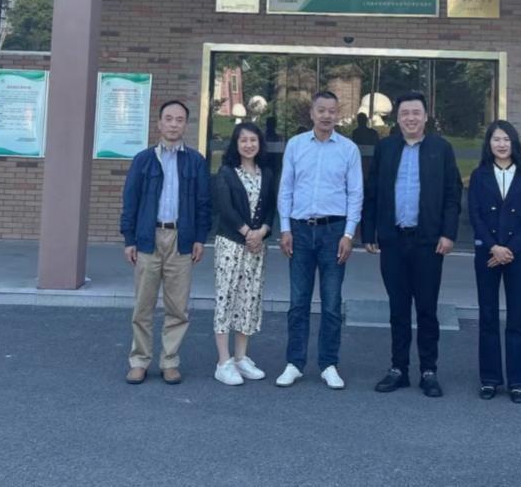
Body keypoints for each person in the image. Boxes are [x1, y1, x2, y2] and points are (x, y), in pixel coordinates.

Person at [363, 92, 461, 398]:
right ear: (398, 118)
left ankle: (429, 371)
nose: (410, 118)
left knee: (427, 309)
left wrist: (448, 234)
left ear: (425, 116)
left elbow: (453, 194)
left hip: (428, 242)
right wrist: (369, 232)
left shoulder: (441, 149)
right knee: (398, 308)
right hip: (393, 240)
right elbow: (373, 191)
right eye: (405, 113)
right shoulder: (386, 148)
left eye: (416, 112)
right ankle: (398, 369)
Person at [275, 90, 363, 390]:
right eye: (321, 110)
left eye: (332, 111)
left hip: (334, 232)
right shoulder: (296, 145)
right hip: (299, 231)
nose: (327, 115)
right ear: (312, 113)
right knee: (298, 302)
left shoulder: (349, 149)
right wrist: (285, 228)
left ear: (338, 114)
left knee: (332, 303)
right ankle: (294, 363)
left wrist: (349, 233)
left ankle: (328, 364)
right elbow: (286, 189)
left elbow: (355, 194)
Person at [119, 99, 211, 386]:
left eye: (179, 120)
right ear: (159, 123)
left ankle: (170, 361)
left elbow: (203, 203)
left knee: (177, 308)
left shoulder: (195, 161)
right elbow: (130, 201)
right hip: (149, 238)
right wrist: (129, 239)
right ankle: (139, 361)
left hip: (181, 239)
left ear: (185, 125)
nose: (173, 124)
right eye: (168, 119)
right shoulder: (143, 160)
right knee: (143, 306)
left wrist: (200, 238)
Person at [468, 119, 521, 403]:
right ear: (489, 143)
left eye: (506, 139)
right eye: (496, 139)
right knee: (487, 316)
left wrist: (509, 249)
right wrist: (494, 247)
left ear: (514, 143)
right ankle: (490, 379)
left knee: (517, 318)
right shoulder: (479, 175)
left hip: (517, 256)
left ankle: (518, 381)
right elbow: (474, 215)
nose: (501, 144)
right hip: (487, 254)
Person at [210, 122, 277, 386]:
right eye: (243, 140)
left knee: (249, 300)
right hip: (231, 244)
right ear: (235, 144)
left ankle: (240, 357)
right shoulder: (227, 172)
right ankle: (223, 362)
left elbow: (270, 208)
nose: (249, 145)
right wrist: (248, 232)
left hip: (257, 247)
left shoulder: (267, 173)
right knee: (226, 298)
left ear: (260, 143)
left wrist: (263, 232)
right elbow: (225, 208)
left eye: (253, 140)